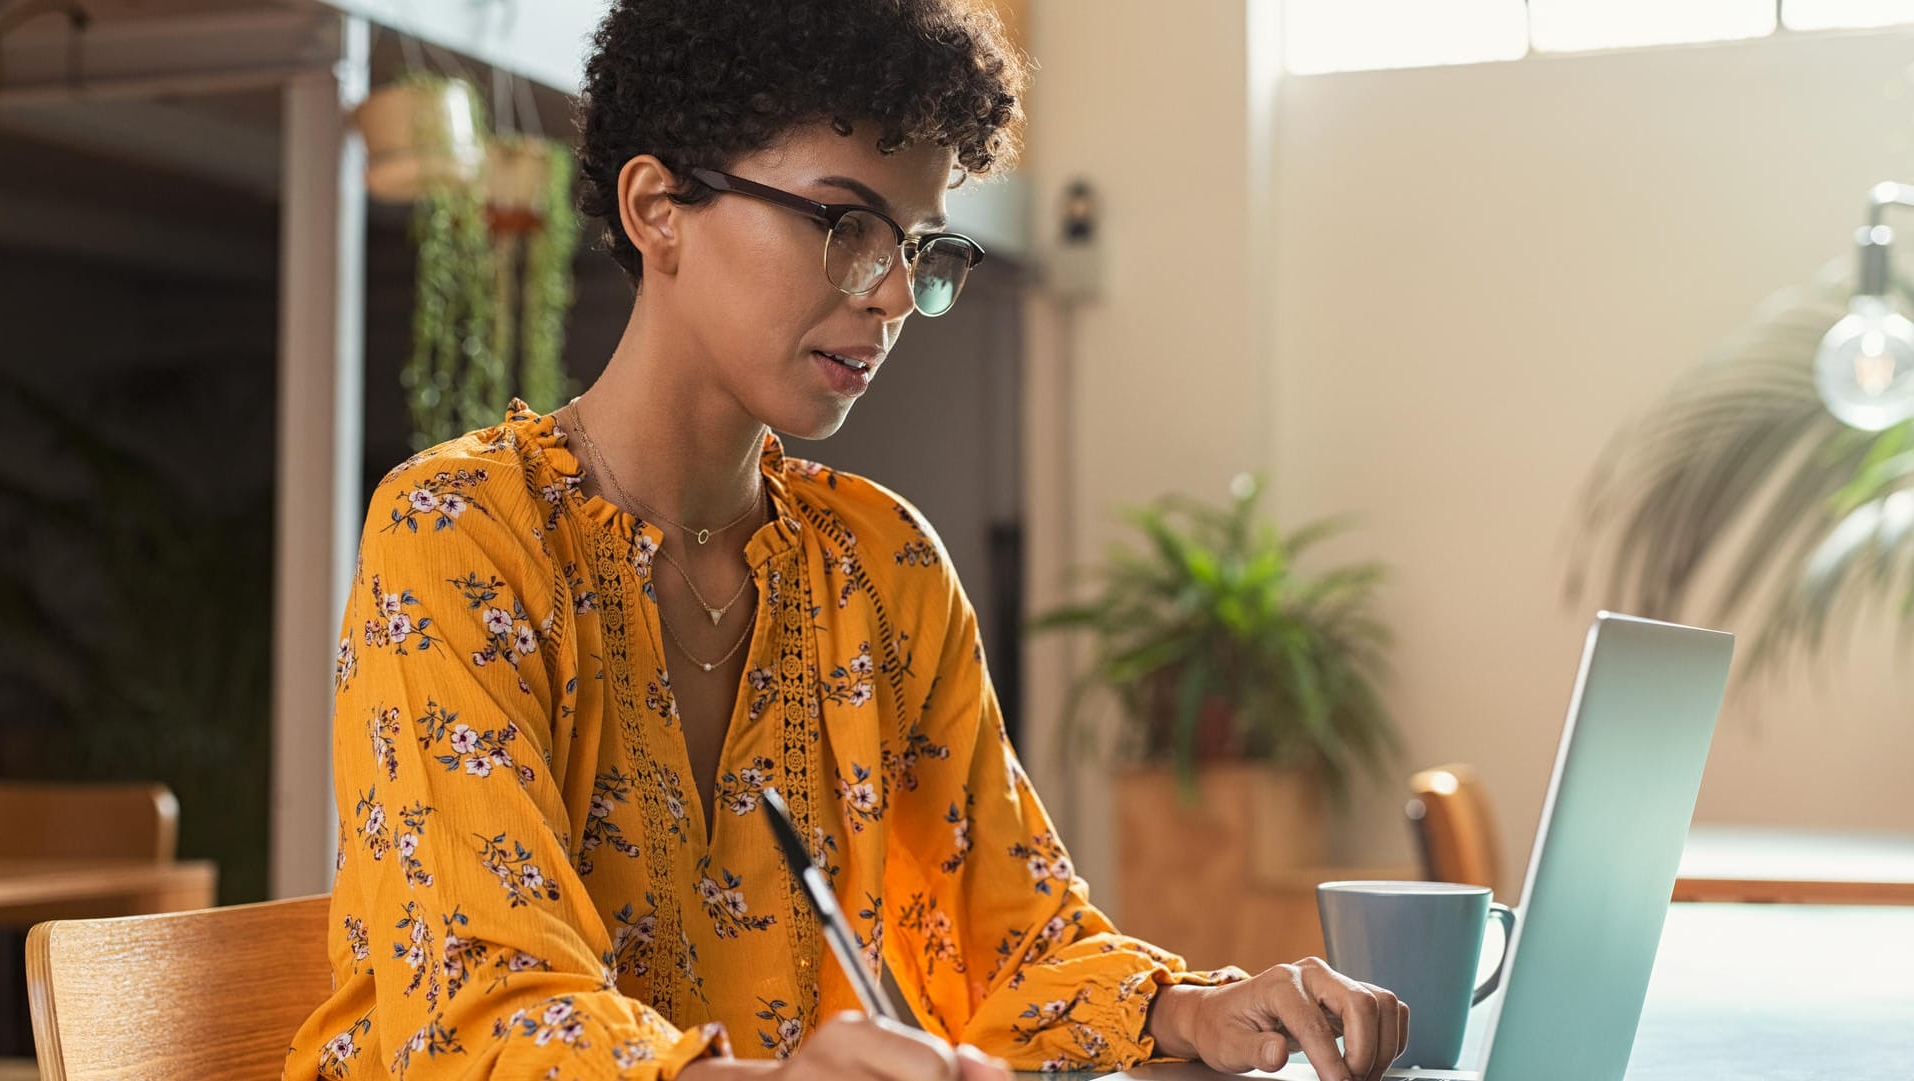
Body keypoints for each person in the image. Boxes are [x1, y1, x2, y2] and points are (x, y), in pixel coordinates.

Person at [284, 2, 1409, 1079]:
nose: (892, 298)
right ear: (656, 206)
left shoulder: (883, 566)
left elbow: (1013, 936)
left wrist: (1194, 1007)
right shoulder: (463, 532)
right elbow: (480, 1001)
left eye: (917, 247)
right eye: (845, 225)